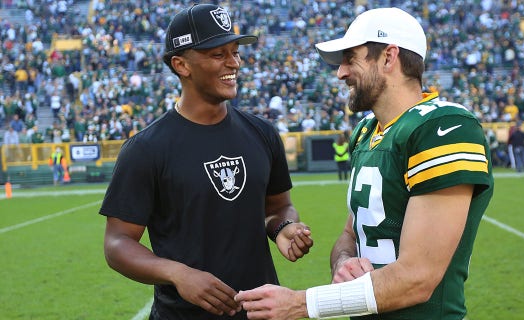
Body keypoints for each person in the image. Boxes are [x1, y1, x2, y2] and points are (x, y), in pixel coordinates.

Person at [235, 7, 494, 319]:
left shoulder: (444, 126)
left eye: (350, 59)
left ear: (388, 57)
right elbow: (351, 234)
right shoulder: (366, 132)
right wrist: (344, 262)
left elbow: (418, 278)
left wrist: (300, 304)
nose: (341, 73)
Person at [98, 4, 313, 319]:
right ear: (181, 65)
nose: (234, 63)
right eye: (218, 54)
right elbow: (117, 243)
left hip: (262, 312)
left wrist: (284, 227)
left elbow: (278, 206)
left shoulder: (262, 133)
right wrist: (178, 274)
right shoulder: (146, 149)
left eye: (235, 52)